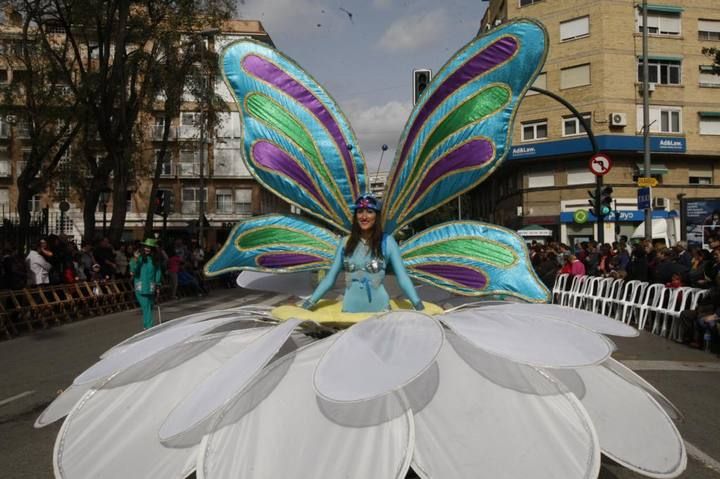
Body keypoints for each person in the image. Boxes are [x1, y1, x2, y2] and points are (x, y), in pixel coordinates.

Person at [302, 194, 423, 313]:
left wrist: (417, 303)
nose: (364, 216)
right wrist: (309, 302)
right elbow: (330, 278)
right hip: (350, 311)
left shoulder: (387, 242)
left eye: (369, 211)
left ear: (377, 216)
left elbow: (403, 277)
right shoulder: (345, 243)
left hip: (381, 312)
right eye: (360, 212)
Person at [129, 238, 163, 329]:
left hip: (151, 286)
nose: (147, 249)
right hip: (140, 286)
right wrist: (135, 260)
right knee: (146, 306)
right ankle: (149, 327)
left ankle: (146, 325)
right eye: (146, 247)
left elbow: (158, 272)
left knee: (150, 306)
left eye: (150, 247)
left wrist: (158, 285)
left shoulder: (155, 259)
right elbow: (132, 271)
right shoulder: (137, 258)